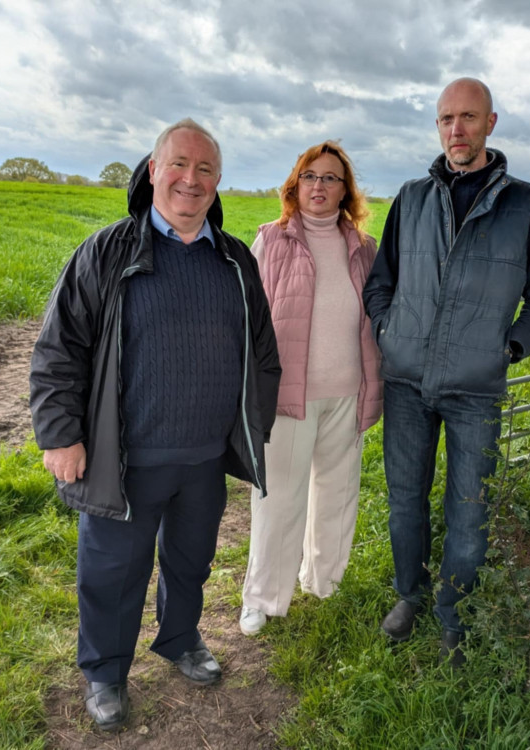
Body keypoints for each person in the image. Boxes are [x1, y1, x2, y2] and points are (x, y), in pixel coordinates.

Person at [29, 119, 280, 731]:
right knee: (113, 572)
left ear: (218, 183)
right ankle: (106, 672)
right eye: (178, 165)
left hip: (202, 455)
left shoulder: (234, 259)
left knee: (191, 561)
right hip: (126, 454)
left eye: (205, 170)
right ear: (152, 169)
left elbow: (264, 353)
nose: (190, 180)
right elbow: (59, 349)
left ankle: (181, 638)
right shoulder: (108, 251)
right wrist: (61, 433)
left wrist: (251, 424)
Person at [362, 78, 530, 666]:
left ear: (491, 123)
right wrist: (386, 330)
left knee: (469, 510)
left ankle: (453, 613)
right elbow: (381, 283)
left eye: (468, 118)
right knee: (405, 501)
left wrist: (510, 348)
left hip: (476, 388)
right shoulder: (412, 197)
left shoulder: (525, 202)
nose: (456, 130)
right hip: (405, 381)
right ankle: (410, 594)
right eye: (446, 118)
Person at [238, 142, 383, 636]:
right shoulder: (271, 240)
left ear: (345, 191)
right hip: (288, 395)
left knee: (337, 494)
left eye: (330, 178)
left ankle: (324, 582)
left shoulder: (365, 248)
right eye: (310, 176)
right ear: (294, 185)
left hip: (349, 391)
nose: (318, 186)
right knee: (278, 498)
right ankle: (263, 597)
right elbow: (248, 319)